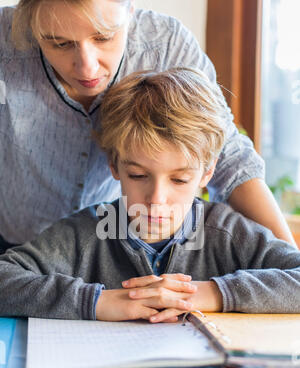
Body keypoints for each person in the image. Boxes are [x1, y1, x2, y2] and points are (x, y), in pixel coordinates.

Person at [0, 67, 299, 323]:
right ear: (114, 166)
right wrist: (96, 302)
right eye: (138, 176)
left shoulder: (227, 234)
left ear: (207, 174)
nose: (156, 199)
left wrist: (212, 293)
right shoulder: (86, 234)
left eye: (180, 179)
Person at [0, 0, 296, 255]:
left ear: (129, 11)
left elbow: (230, 158)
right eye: (60, 43)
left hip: (112, 250)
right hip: (14, 245)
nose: (87, 68)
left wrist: (289, 263)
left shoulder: (164, 44)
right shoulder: (6, 42)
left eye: (103, 37)